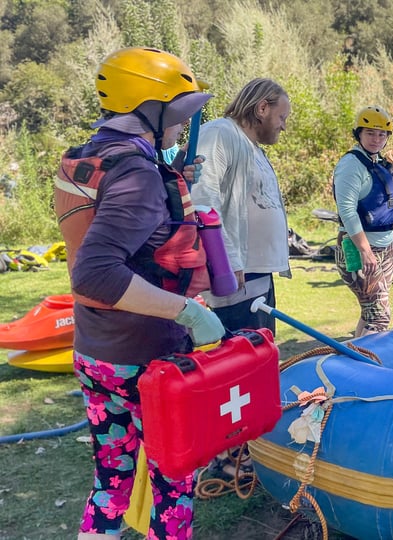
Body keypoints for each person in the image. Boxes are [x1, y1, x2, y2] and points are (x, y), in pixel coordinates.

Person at [55, 46, 225, 540]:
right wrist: (189, 312)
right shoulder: (135, 172)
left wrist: (167, 177)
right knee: (172, 482)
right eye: (175, 115)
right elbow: (95, 273)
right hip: (148, 361)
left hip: (96, 351)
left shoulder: (87, 156)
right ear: (148, 108)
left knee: (113, 480)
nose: (179, 126)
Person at [191, 78, 292, 333]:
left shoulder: (254, 148)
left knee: (262, 353)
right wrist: (229, 259)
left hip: (257, 274)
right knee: (243, 357)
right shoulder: (220, 133)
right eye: (282, 117)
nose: (284, 126)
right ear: (262, 109)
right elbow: (203, 200)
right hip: (235, 275)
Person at [333, 105, 393, 336]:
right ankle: (366, 368)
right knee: (379, 317)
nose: (376, 139)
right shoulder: (351, 165)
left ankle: (354, 357)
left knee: (370, 312)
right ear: (359, 134)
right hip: (358, 250)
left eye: (382, 134)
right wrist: (365, 251)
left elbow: (390, 209)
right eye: (370, 133)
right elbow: (348, 211)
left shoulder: (380, 163)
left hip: (384, 247)